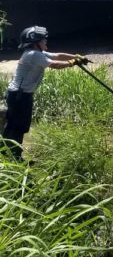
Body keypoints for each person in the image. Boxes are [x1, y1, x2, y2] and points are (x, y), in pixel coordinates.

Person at [2, 26, 87, 161]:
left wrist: (77, 56)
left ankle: (9, 154)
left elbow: (58, 55)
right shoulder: (33, 54)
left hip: (20, 95)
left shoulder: (36, 52)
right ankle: (14, 158)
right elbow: (55, 64)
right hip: (20, 96)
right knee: (18, 127)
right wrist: (73, 62)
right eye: (43, 39)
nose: (46, 41)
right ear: (35, 42)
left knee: (16, 125)